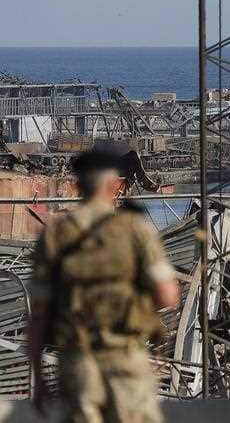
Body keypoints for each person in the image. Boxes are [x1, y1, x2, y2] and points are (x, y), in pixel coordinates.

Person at [27, 146, 180, 422]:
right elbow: (168, 296)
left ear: (77, 186)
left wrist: (38, 378)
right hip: (126, 362)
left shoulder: (54, 236)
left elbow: (39, 314)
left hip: (78, 366)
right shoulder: (135, 229)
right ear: (114, 185)